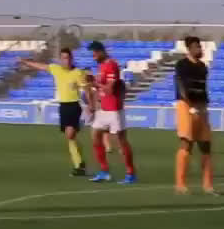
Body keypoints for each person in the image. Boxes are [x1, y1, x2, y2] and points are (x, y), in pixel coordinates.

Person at [21, 49, 88, 175]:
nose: (66, 60)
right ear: (60, 59)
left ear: (71, 59)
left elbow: (86, 88)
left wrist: (89, 103)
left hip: (74, 106)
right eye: (63, 58)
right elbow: (41, 66)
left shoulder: (78, 72)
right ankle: (79, 164)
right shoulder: (56, 69)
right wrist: (26, 62)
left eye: (68, 58)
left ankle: (79, 163)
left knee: (70, 135)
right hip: (63, 106)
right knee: (70, 137)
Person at [85, 41, 137, 184]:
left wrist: (94, 83)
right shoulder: (101, 66)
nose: (93, 55)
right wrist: (93, 101)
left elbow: (110, 89)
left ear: (102, 51)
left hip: (114, 110)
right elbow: (101, 89)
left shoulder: (112, 65)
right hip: (102, 110)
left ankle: (131, 173)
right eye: (92, 53)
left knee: (121, 142)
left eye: (95, 52)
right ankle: (104, 171)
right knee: (95, 137)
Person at [174, 37, 214, 194]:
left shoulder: (203, 67)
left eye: (200, 46)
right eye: (197, 47)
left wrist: (204, 106)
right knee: (187, 143)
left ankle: (207, 185)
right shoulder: (182, 65)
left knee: (206, 145)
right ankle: (180, 184)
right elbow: (181, 86)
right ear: (189, 49)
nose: (200, 49)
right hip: (186, 106)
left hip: (201, 106)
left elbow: (203, 88)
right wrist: (190, 106)